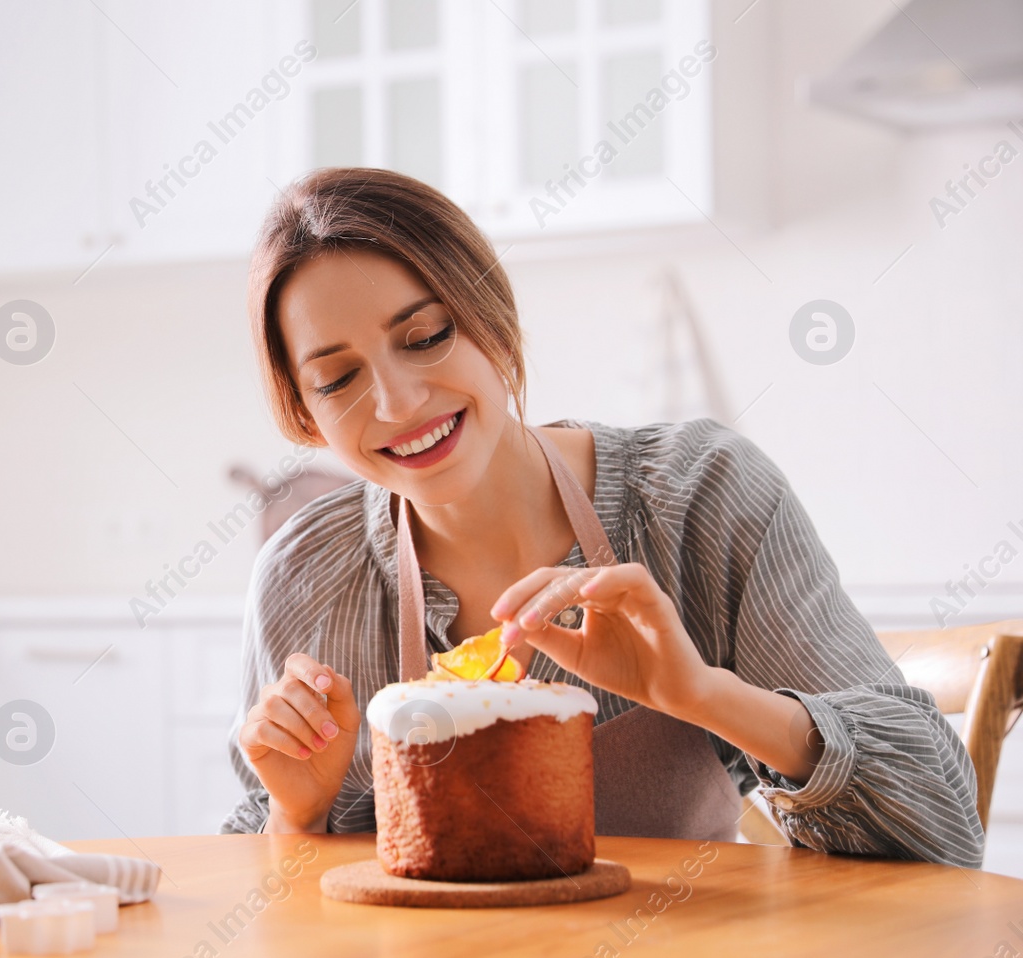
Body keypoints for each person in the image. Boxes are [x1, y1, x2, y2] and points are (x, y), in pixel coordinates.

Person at [222, 168, 983, 868]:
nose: (394, 403)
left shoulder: (699, 499)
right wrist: (296, 814)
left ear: (490, 312)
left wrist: (702, 694)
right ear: (303, 411)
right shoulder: (302, 574)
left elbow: (943, 826)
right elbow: (268, 918)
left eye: (426, 337)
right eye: (337, 378)